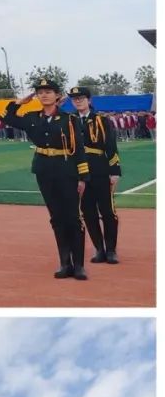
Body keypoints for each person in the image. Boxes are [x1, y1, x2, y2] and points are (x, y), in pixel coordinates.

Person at [4, 80, 89, 280]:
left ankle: (79, 265)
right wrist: (19, 102)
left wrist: (83, 177)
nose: (44, 95)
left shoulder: (69, 119)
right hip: (44, 171)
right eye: (40, 92)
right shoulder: (32, 117)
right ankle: (64, 263)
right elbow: (7, 118)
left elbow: (79, 149)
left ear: (57, 96)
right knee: (57, 218)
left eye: (48, 92)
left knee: (73, 219)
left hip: (67, 170)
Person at [69, 86, 121, 264]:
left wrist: (114, 171)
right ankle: (99, 249)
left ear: (89, 100)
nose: (78, 101)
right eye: (74, 99)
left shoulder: (101, 120)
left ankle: (111, 250)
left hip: (100, 169)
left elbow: (111, 145)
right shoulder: (70, 120)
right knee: (88, 212)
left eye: (81, 98)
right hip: (80, 174)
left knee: (107, 211)